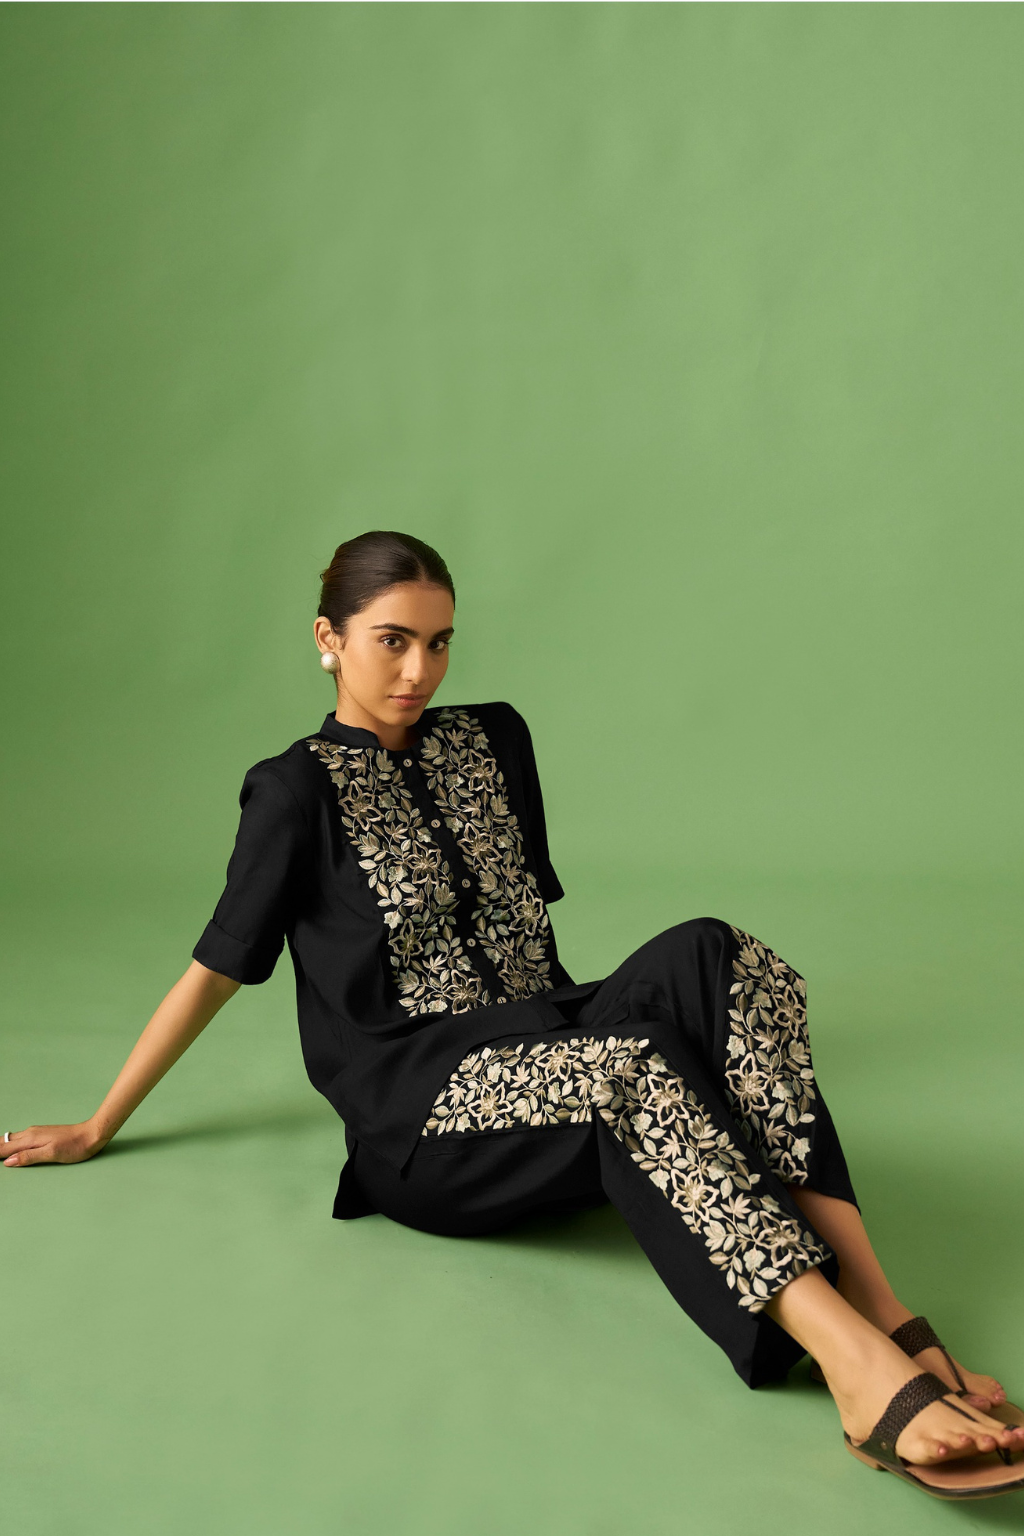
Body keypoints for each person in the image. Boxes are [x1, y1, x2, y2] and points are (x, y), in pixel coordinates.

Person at [5, 530, 1022, 1500]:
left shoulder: (492, 740)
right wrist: (99, 1123)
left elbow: (522, 929)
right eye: (391, 641)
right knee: (629, 1066)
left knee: (721, 951)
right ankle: (853, 1367)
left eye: (438, 642)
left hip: (549, 1038)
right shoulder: (292, 792)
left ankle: (882, 1307)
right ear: (329, 639)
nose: (419, 671)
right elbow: (217, 967)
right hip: (422, 1112)